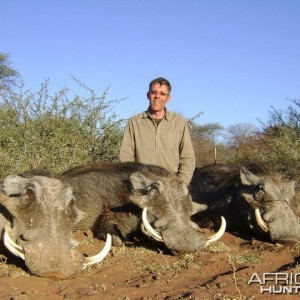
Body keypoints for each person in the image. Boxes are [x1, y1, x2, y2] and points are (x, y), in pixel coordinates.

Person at [119, 77, 195, 184]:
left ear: (168, 98)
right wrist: (136, 182)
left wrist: (181, 184)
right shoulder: (134, 122)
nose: (157, 96)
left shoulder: (179, 122)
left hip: (171, 185)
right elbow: (125, 157)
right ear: (148, 95)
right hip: (141, 184)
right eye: (154, 92)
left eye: (162, 94)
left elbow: (187, 158)